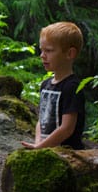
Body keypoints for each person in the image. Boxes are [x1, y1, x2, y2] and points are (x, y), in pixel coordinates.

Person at [21, 21, 85, 150]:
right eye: (41, 50)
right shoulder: (45, 85)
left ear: (69, 54)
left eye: (49, 51)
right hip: (47, 150)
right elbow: (42, 120)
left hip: (69, 154)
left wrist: (40, 148)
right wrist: (39, 143)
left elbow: (67, 128)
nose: (42, 55)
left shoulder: (72, 87)